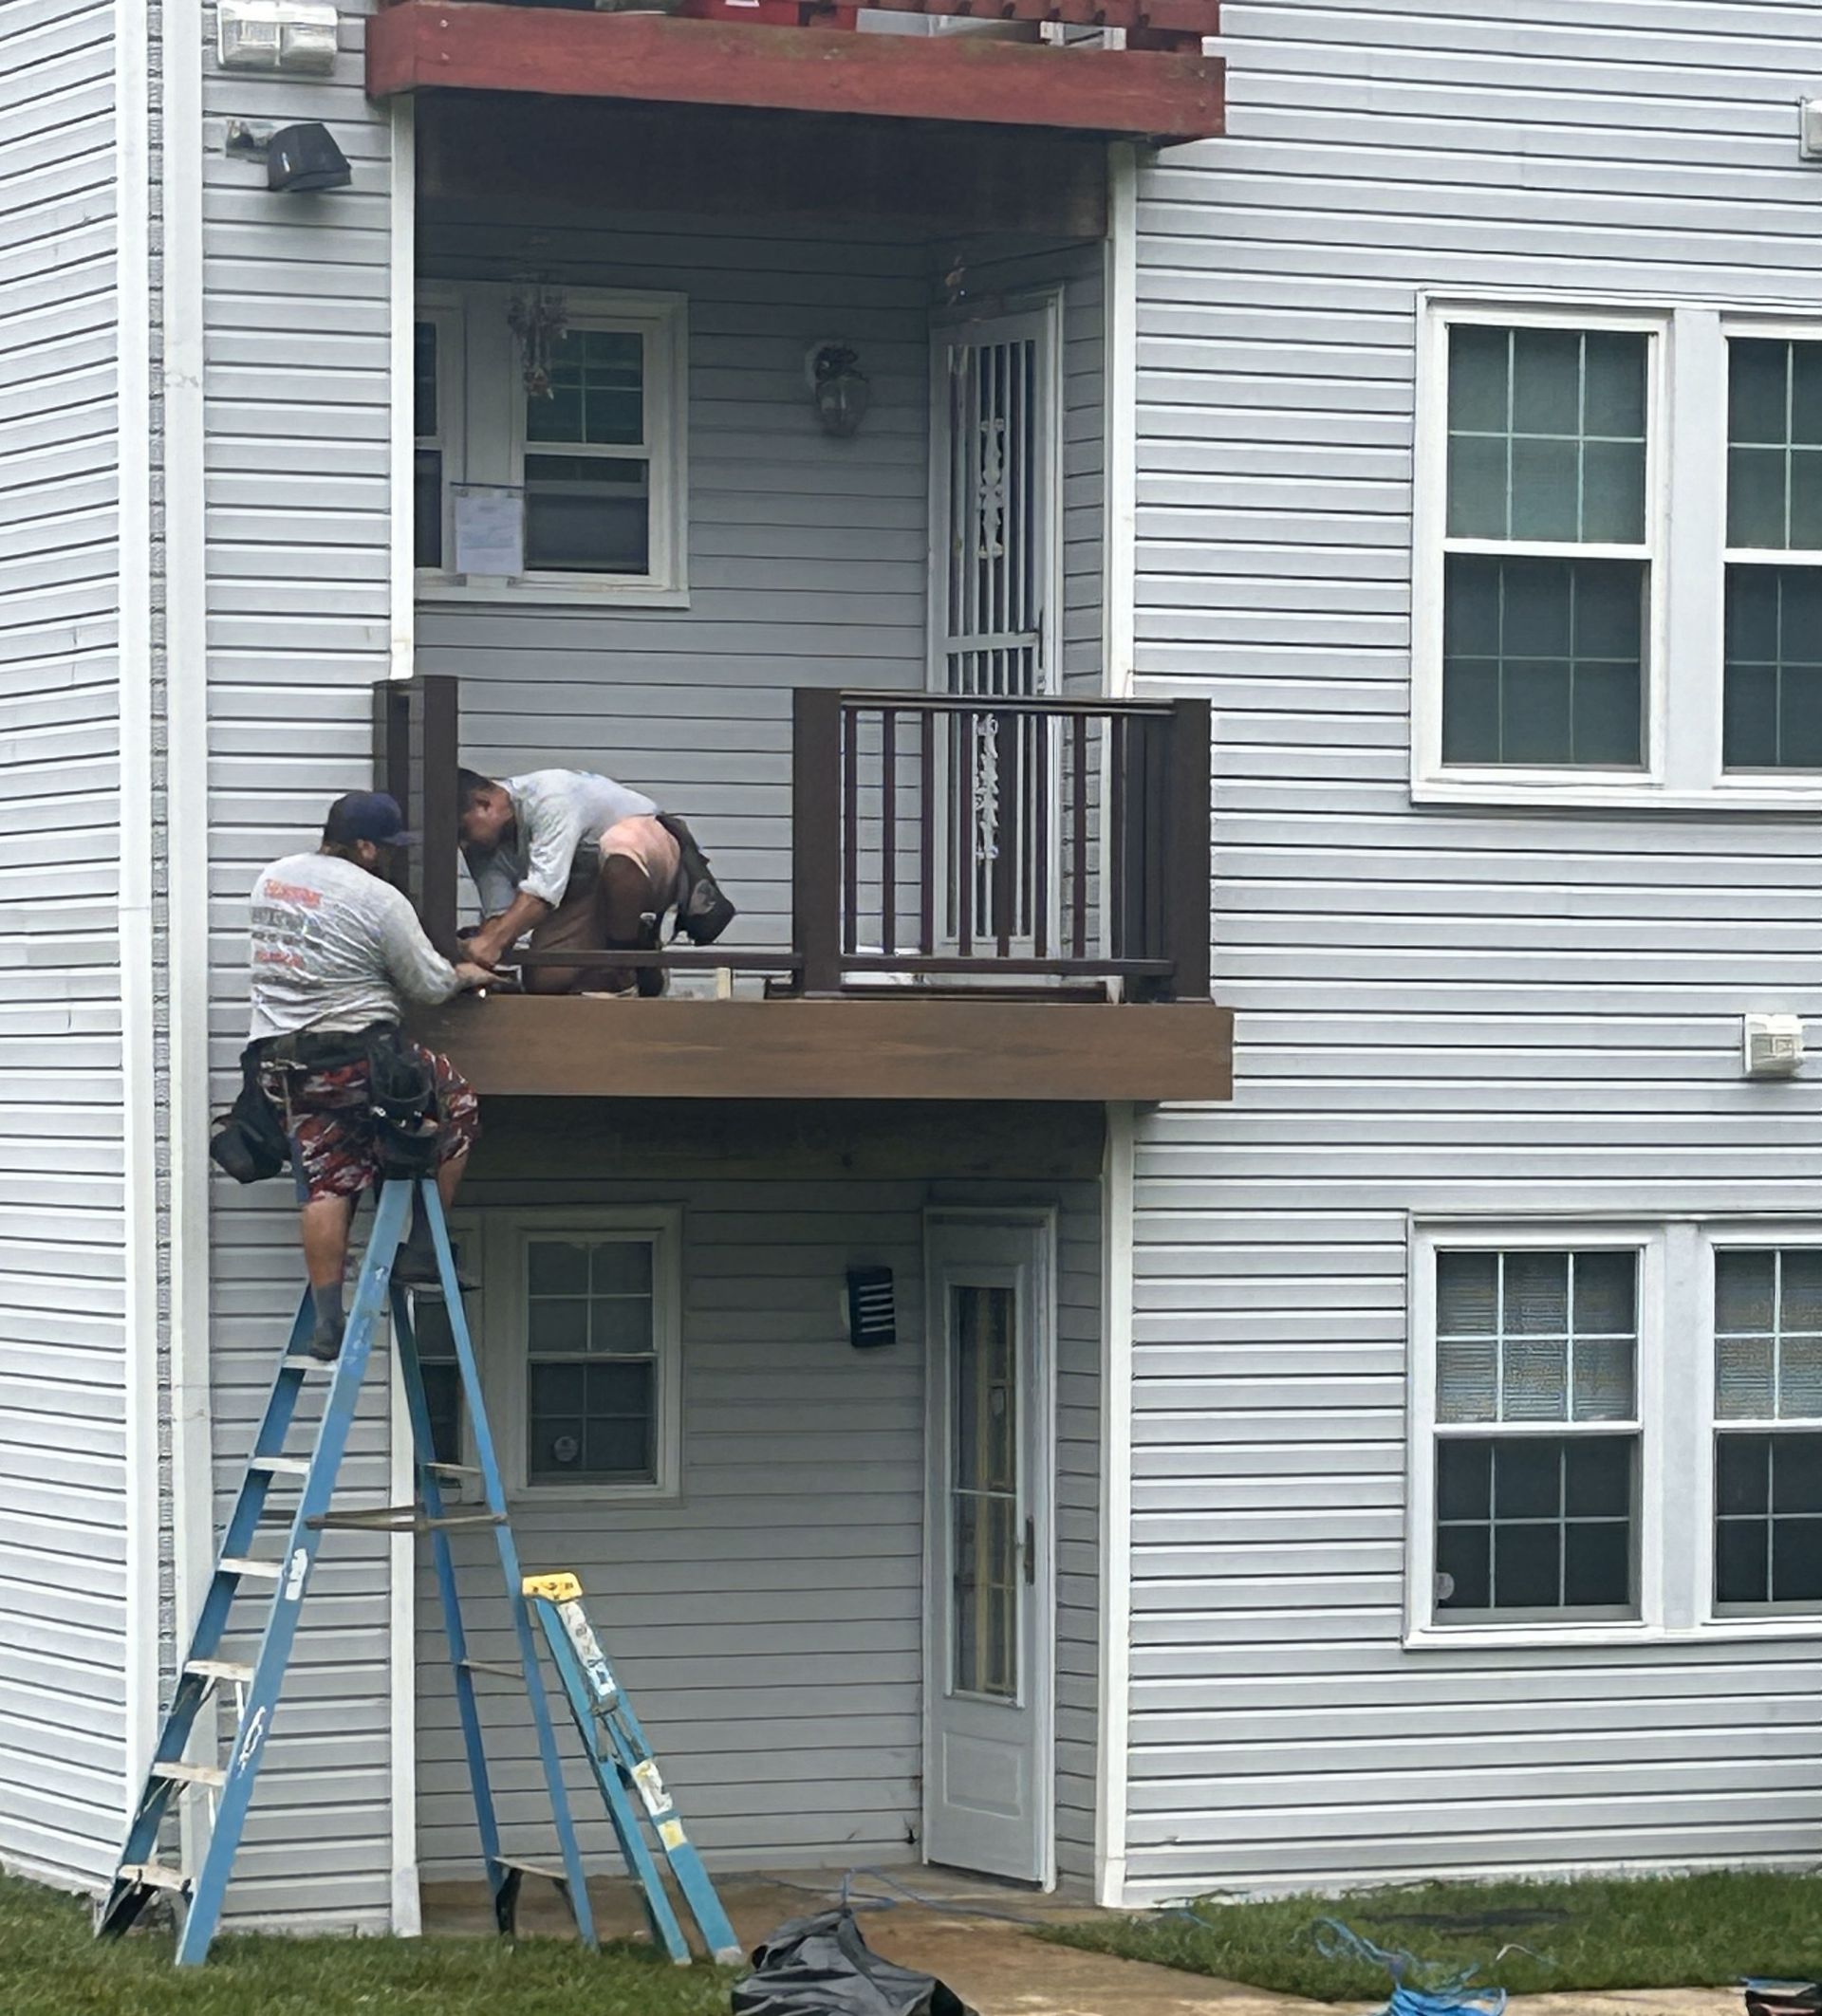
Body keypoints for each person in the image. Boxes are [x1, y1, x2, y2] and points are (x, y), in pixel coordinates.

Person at [247, 791, 494, 1359]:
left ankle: (328, 1321)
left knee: (327, 1176)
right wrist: (462, 971)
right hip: (356, 1059)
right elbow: (427, 984)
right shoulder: (378, 899)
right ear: (363, 846)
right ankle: (424, 1249)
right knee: (455, 1103)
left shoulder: (274, 879)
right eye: (384, 848)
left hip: (283, 1064)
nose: (388, 857)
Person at [457, 767, 684, 996]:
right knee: (544, 980)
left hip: (650, 859)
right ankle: (612, 976)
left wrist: (491, 943)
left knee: (620, 851)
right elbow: (500, 915)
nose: (463, 844)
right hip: (585, 884)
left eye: (462, 831)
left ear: (484, 804)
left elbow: (542, 893)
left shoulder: (550, 797)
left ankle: (630, 963)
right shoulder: (482, 847)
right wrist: (482, 954)